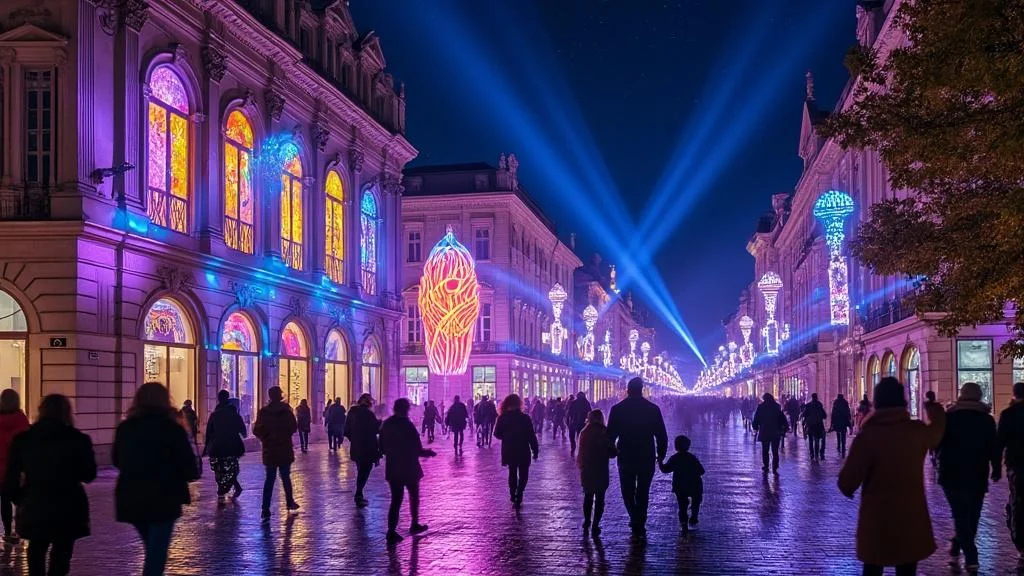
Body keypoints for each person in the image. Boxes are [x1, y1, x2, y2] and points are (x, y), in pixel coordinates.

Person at [838, 377, 946, 576]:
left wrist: (849, 488)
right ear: (903, 401)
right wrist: (935, 411)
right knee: (907, 568)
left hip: (877, 518)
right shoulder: (916, 431)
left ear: (876, 402)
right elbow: (937, 433)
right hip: (911, 517)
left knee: (873, 567)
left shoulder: (868, 436)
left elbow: (847, 482)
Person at [114, 383, 200, 576]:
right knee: (157, 551)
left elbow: (116, 459)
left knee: (152, 547)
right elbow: (189, 468)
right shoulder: (172, 429)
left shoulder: (126, 428)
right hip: (164, 497)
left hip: (132, 495)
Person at [4, 394, 96, 576]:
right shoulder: (78, 439)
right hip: (68, 504)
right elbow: (89, 474)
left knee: (36, 551)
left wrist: (19, 499)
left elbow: (12, 476)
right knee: (62, 554)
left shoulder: (24, 439)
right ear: (67, 413)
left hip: (35, 502)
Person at [936, 382, 998, 574]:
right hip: (977, 473)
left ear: (961, 395)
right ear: (979, 396)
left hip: (951, 473)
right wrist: (996, 468)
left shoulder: (949, 417)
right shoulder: (986, 420)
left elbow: (938, 443)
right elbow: (993, 448)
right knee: (972, 515)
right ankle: (971, 557)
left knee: (962, 515)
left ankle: (957, 545)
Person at [606, 377, 668, 539]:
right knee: (643, 491)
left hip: (625, 454)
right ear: (642, 390)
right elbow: (661, 435)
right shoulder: (652, 409)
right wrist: (661, 454)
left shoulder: (617, 409)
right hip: (646, 454)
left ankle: (634, 516)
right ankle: (640, 519)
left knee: (627, 490)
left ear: (627, 390)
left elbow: (610, 435)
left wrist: (610, 451)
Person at [379, 398, 437, 543]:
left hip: (393, 467)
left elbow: (382, 447)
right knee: (413, 496)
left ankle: (391, 530)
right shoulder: (407, 425)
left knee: (396, 500)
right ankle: (414, 523)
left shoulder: (387, 424)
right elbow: (417, 448)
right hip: (409, 466)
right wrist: (428, 453)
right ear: (406, 409)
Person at [253, 386, 300, 522]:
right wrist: (283, 435)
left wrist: (266, 438)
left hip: (270, 450)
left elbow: (257, 430)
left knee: (270, 479)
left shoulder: (264, 412)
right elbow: (293, 427)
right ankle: (290, 502)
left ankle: (265, 508)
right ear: (280, 396)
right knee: (285, 477)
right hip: (284, 449)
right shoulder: (286, 411)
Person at [493, 394, 539, 509]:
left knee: (512, 473)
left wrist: (507, 436)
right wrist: (535, 450)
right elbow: (531, 436)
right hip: (523, 449)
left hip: (509, 449)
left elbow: (497, 434)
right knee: (524, 474)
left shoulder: (502, 417)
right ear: (519, 404)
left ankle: (513, 495)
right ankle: (519, 493)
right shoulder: (525, 418)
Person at [577, 409, 615, 538]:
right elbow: (611, 452)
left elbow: (580, 452)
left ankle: (587, 520)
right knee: (600, 498)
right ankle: (595, 524)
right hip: (600, 468)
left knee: (588, 496)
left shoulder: (584, 432)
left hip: (587, 468)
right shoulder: (604, 432)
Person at [204, 390, 247, 503]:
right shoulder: (234, 414)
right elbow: (243, 431)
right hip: (233, 445)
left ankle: (222, 489)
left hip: (218, 446)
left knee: (219, 468)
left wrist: (206, 446)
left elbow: (209, 432)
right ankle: (229, 487)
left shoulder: (215, 415)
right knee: (232, 467)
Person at [998, 382, 1024, 567]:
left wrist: (995, 466)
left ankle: (1022, 545)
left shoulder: (1008, 414)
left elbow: (999, 442)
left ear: (1014, 394)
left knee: (1018, 503)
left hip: (1017, 466)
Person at [659, 434, 705, 537]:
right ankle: (694, 516)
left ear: (676, 447)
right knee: (696, 501)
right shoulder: (692, 458)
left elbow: (665, 469)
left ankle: (683, 522)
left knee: (682, 505)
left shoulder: (675, 458)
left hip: (680, 486)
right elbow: (702, 471)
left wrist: (660, 462)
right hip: (695, 485)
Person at [0, 389, 30, 541]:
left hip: (1, 469)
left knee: (4, 500)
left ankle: (6, 531)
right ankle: (18, 530)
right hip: (17, 469)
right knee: (19, 500)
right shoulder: (22, 420)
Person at [344, 393, 381, 507]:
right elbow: (376, 429)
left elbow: (346, 430)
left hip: (356, 446)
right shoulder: (368, 414)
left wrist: (354, 439)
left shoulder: (352, 413)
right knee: (365, 470)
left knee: (361, 469)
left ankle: (359, 494)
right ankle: (359, 494)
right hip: (368, 447)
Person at [752, 393, 788, 473]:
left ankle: (766, 465)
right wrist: (785, 427)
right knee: (775, 450)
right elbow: (782, 418)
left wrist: (755, 426)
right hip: (775, 431)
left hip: (765, 430)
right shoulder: (777, 407)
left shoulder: (761, 407)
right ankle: (775, 466)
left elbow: (756, 418)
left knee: (765, 450)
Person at [802, 393, 827, 462]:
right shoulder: (819, 405)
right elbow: (825, 415)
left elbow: (804, 414)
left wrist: (805, 421)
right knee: (818, 440)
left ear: (812, 398)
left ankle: (812, 454)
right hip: (819, 425)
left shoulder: (808, 405)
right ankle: (817, 455)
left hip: (810, 425)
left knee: (810, 440)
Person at [830, 393, 853, 457]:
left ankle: (839, 445)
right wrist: (849, 419)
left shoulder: (836, 402)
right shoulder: (845, 402)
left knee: (838, 433)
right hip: (844, 421)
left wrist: (832, 422)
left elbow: (833, 412)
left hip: (837, 421)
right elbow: (848, 411)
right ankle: (843, 447)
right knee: (843, 433)